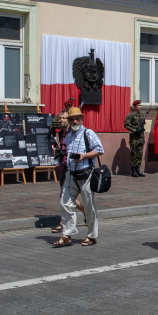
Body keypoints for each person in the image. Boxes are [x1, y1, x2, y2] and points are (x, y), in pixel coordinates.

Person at [53, 106, 103, 247]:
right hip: (70, 174)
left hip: (85, 174)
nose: (75, 121)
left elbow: (100, 150)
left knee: (89, 207)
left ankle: (92, 236)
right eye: (72, 119)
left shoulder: (88, 133)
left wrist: (84, 156)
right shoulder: (68, 135)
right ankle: (67, 234)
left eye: (77, 119)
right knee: (65, 203)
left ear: (81, 119)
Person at [123, 100, 147, 177]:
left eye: (140, 105)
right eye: (138, 105)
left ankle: (138, 169)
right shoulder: (131, 115)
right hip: (134, 137)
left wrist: (142, 130)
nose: (140, 107)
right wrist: (135, 130)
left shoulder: (141, 115)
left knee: (140, 154)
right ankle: (133, 170)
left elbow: (142, 126)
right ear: (134, 106)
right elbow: (126, 125)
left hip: (140, 137)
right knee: (134, 153)